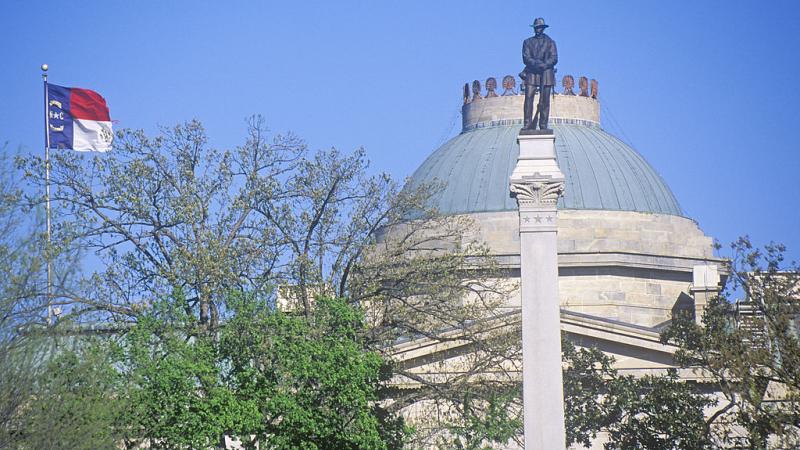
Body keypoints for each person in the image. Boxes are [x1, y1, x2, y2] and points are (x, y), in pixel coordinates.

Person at [521, 18, 558, 131]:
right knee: (528, 98)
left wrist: (545, 65)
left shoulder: (550, 42)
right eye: (536, 28)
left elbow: (554, 58)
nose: (538, 29)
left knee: (545, 100)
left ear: (543, 28)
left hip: (546, 73)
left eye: (540, 27)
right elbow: (526, 58)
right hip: (532, 72)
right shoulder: (527, 42)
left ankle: (543, 124)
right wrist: (537, 64)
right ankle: (527, 123)